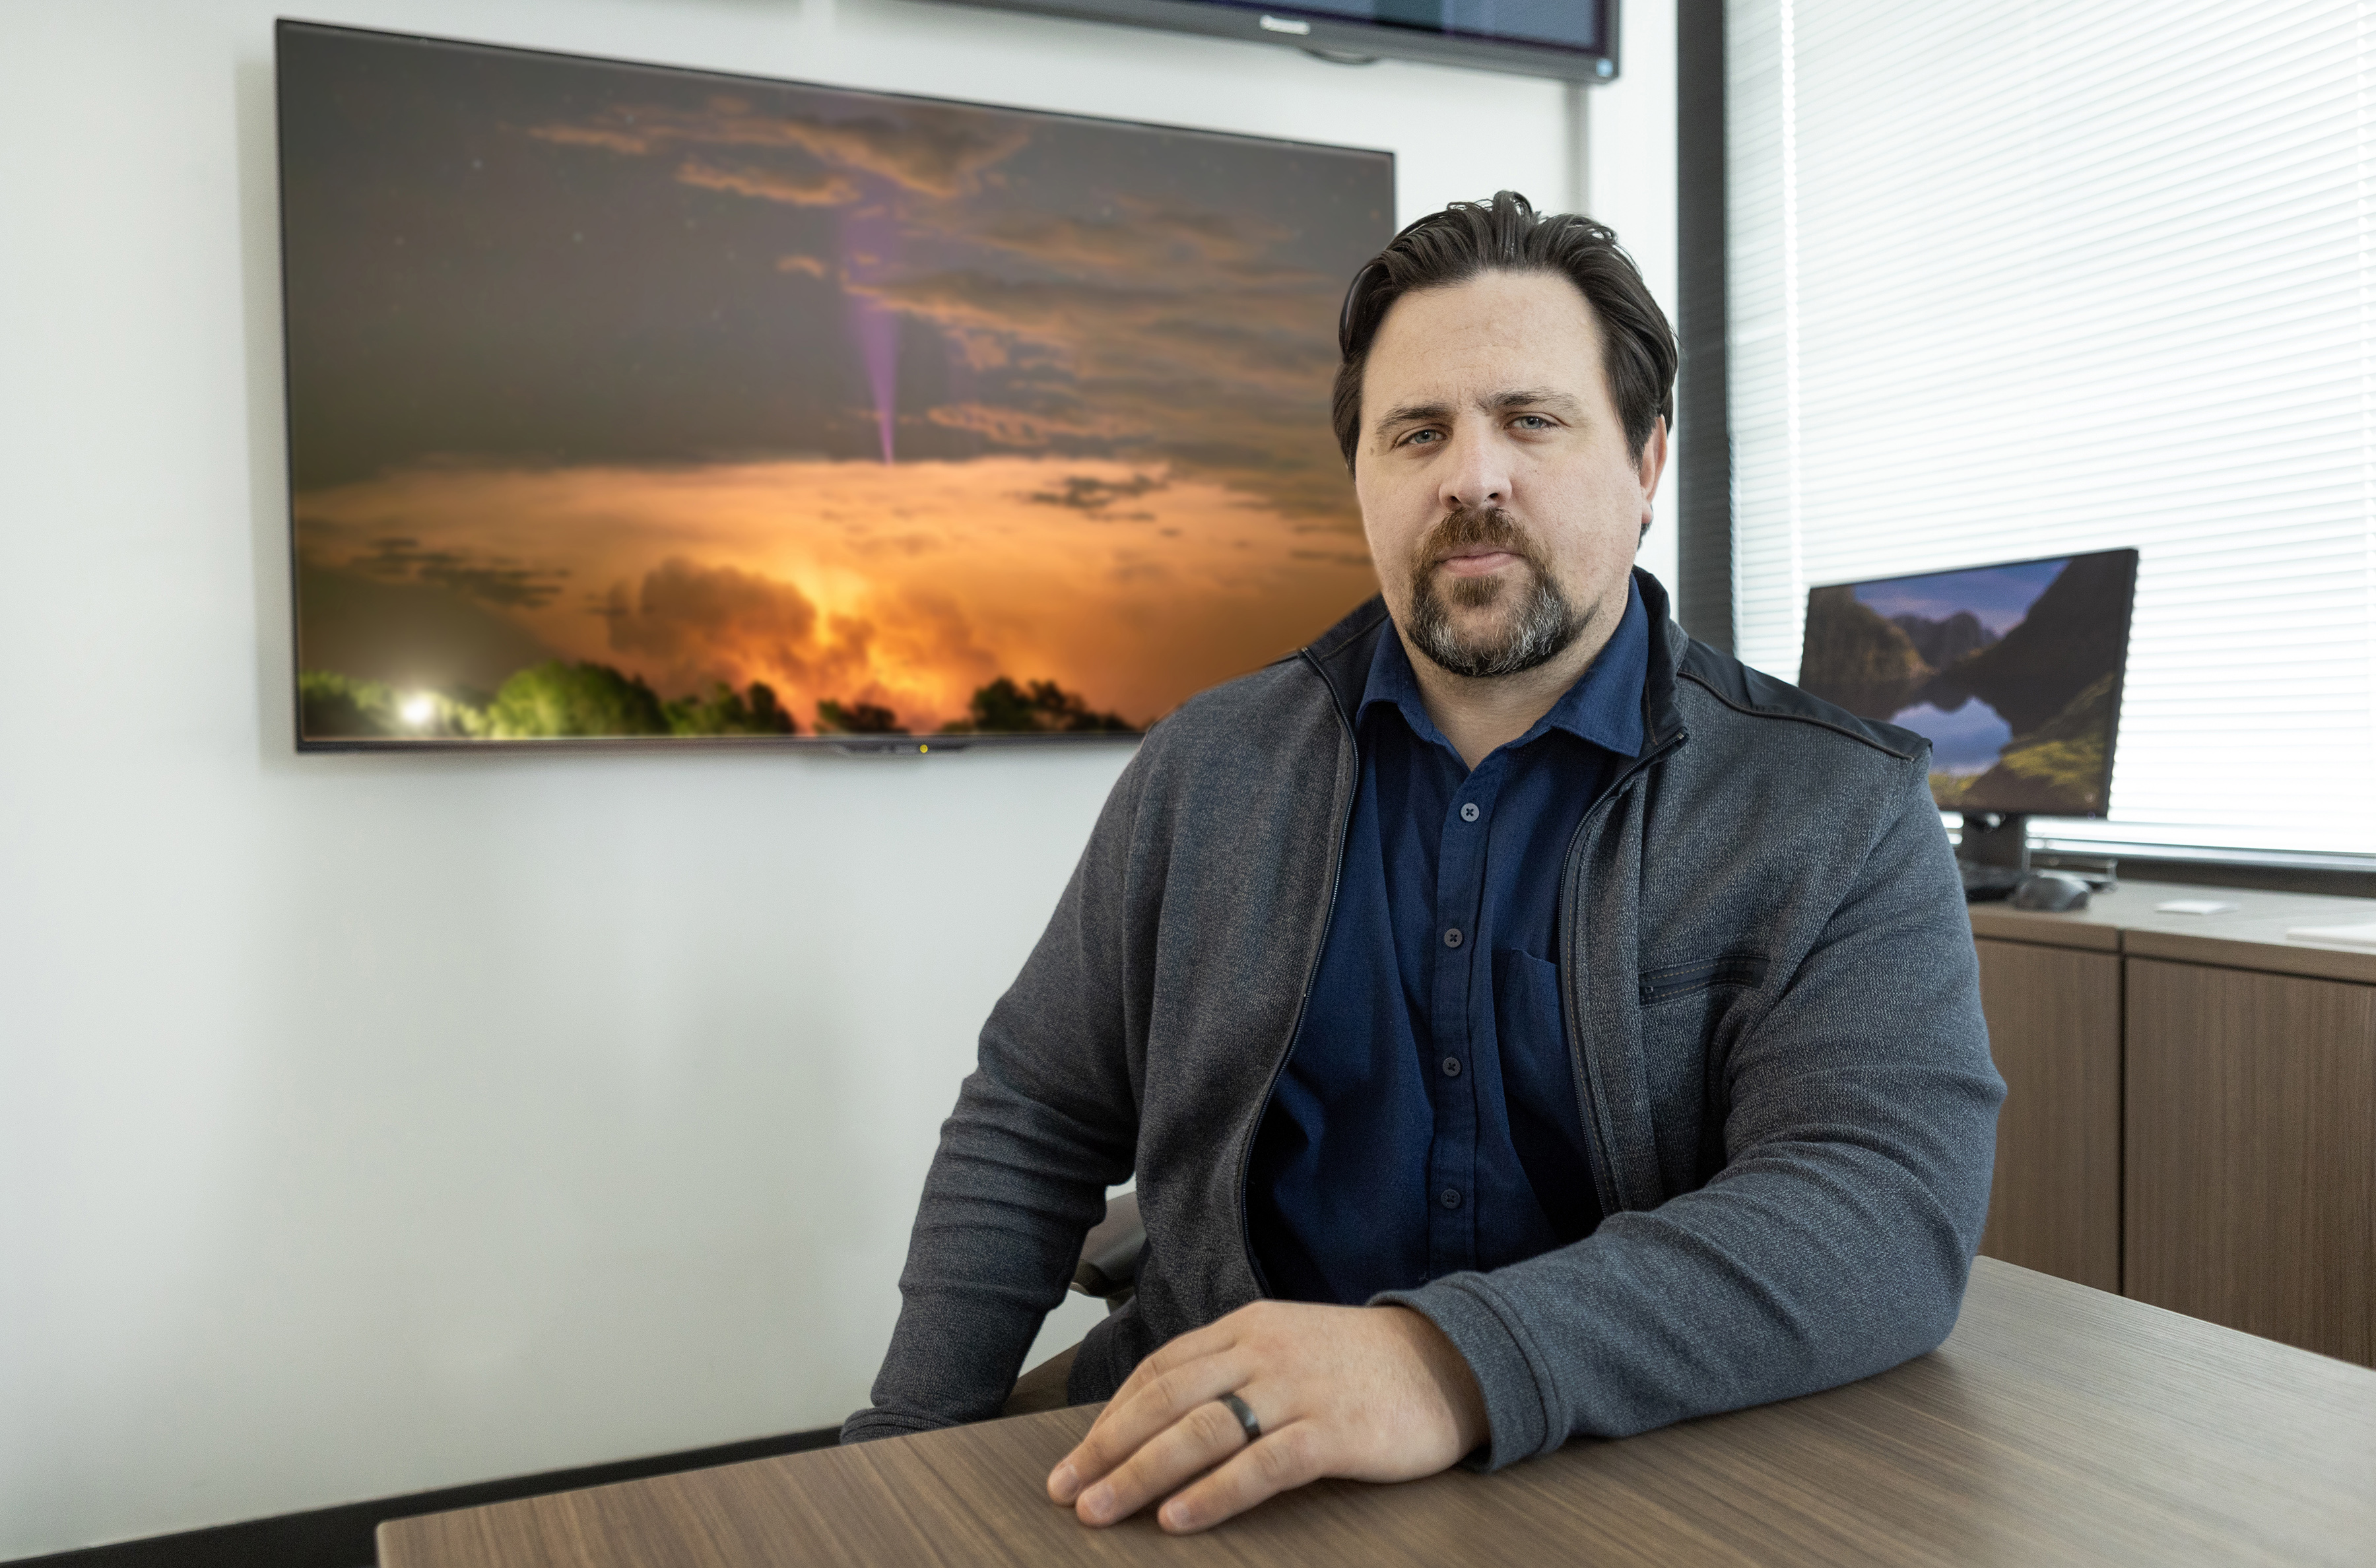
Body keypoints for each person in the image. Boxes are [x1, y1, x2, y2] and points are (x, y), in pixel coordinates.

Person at [840, 191, 2002, 1535]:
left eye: (1531, 419)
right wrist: (894, 1460)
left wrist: (1437, 1361)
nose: (1473, 477)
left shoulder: (1833, 805)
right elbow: (1035, 1116)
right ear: (1365, 483)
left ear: (1646, 465)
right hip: (1221, 1468)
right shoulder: (1204, 770)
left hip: (1635, 1479)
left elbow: (1882, 1209)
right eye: (1418, 433)